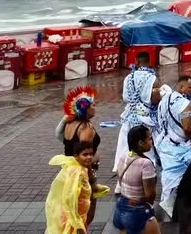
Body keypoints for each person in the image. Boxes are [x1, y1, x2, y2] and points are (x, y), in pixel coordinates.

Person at [56, 86, 107, 223]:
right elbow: (85, 157)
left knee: (74, 214)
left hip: (69, 172)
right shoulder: (85, 129)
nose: (96, 107)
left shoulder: (70, 124)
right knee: (86, 215)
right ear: (86, 109)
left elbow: (63, 140)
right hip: (82, 175)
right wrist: (92, 181)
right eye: (93, 105)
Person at [155, 75, 191, 215]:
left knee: (169, 175)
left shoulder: (164, 100)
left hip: (165, 144)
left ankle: (169, 201)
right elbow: (187, 128)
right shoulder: (184, 104)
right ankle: (178, 203)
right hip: (180, 147)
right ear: (182, 87)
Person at [114, 51, 162, 172]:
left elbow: (125, 98)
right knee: (148, 149)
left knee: (125, 148)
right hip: (145, 119)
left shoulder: (128, 78)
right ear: (149, 62)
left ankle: (122, 179)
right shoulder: (153, 79)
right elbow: (156, 99)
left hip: (129, 117)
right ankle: (147, 173)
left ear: (137, 61)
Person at [113, 125, 160, 234]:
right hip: (139, 213)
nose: (151, 142)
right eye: (149, 139)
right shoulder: (145, 163)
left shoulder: (123, 157)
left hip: (121, 209)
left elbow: (120, 181)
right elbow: (150, 195)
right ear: (140, 143)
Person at [45, 140, 95, 234]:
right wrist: (77, 224)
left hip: (74, 214)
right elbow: (70, 198)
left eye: (91, 154)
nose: (89, 157)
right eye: (85, 154)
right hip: (71, 216)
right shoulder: (76, 172)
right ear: (76, 156)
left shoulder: (76, 166)